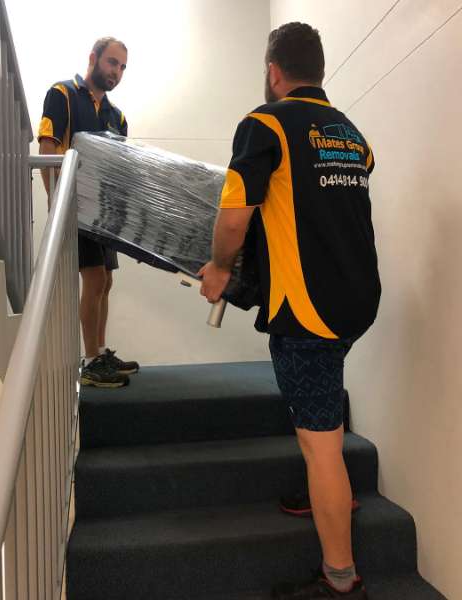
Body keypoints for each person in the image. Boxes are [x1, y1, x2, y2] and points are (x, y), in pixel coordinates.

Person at [199, 22, 380, 599]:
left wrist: (219, 268)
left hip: (308, 308)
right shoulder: (351, 134)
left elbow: (234, 218)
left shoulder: (265, 123)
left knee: (320, 442)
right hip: (358, 298)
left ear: (274, 71)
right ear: (319, 70)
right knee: (322, 423)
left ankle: (341, 579)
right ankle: (328, 488)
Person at [38, 37, 139, 388]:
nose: (117, 72)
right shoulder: (63, 94)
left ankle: (100, 352)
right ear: (93, 58)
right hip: (76, 208)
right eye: (112, 63)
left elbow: (120, 169)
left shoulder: (117, 116)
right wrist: (58, 204)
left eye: (122, 67)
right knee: (94, 278)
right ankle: (91, 359)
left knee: (106, 280)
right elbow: (48, 149)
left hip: (104, 214)